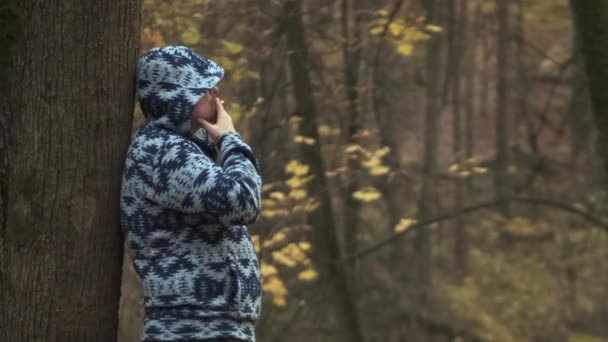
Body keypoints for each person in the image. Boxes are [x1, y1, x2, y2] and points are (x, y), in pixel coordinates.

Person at [120, 45, 262, 342]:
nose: (215, 92)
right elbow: (244, 201)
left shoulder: (181, 150)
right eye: (204, 87)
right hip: (191, 327)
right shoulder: (162, 151)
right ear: (176, 98)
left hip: (211, 324)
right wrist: (229, 140)